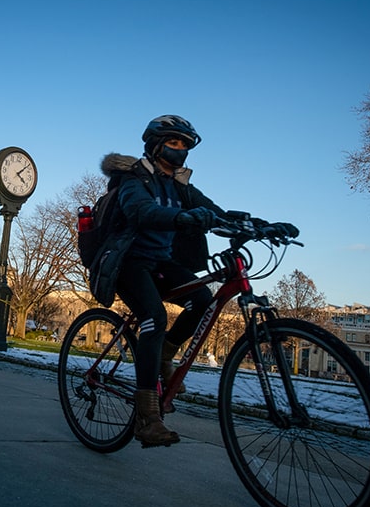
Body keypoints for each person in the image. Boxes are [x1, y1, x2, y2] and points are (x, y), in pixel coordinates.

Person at [99, 115, 297, 447]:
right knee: (153, 318)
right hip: (130, 262)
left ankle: (163, 354)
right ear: (156, 145)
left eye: (185, 145)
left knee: (203, 299)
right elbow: (140, 212)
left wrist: (259, 224)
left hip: (161, 263)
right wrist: (182, 218)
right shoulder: (135, 180)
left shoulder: (180, 186)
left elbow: (214, 211)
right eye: (174, 143)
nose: (180, 150)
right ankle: (147, 418)